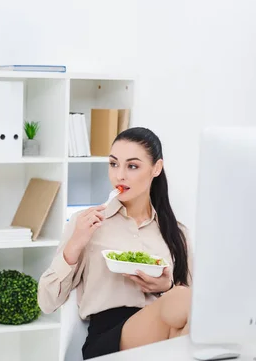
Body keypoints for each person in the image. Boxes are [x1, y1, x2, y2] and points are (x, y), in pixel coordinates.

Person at [37, 127, 193, 359]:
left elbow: (194, 306)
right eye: (113, 164)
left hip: (162, 332)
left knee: (187, 310)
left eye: (132, 166)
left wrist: (165, 288)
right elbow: (46, 302)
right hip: (109, 337)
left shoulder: (177, 232)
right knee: (183, 300)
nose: (119, 175)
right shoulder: (86, 224)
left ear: (156, 168)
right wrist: (75, 243)